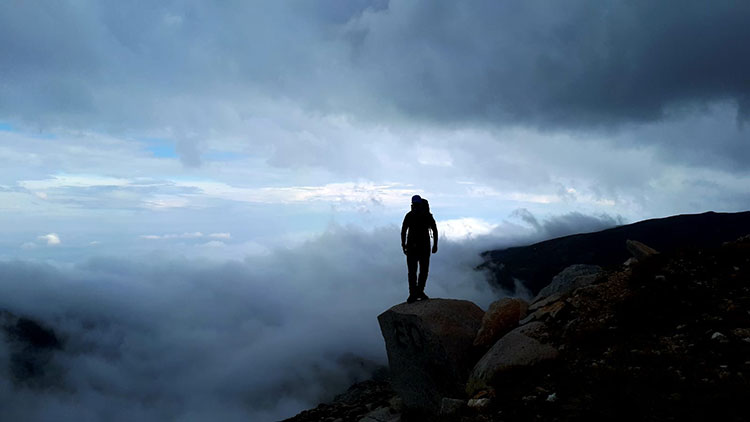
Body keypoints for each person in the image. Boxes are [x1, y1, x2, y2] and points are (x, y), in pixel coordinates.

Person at [401, 195, 438, 303]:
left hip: (412, 247)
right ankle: (419, 291)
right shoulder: (427, 215)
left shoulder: (409, 215)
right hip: (424, 247)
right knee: (423, 270)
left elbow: (403, 231)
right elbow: (434, 230)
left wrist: (403, 245)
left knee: (412, 272)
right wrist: (435, 245)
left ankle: (413, 294)